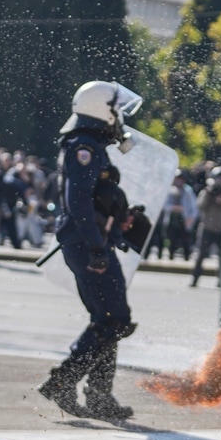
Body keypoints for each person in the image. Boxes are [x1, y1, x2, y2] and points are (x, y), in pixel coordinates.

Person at [37, 80, 143, 421]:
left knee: (107, 319)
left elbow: (95, 199)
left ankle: (99, 395)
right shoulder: (83, 146)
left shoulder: (90, 145)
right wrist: (97, 246)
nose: (119, 119)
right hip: (86, 245)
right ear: (102, 109)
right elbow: (78, 201)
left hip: (89, 243)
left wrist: (121, 217)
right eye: (116, 111)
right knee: (115, 319)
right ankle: (64, 380)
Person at [190, 166, 221, 288]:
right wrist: (210, 196)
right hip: (207, 227)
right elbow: (200, 206)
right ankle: (195, 278)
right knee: (201, 255)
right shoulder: (207, 191)